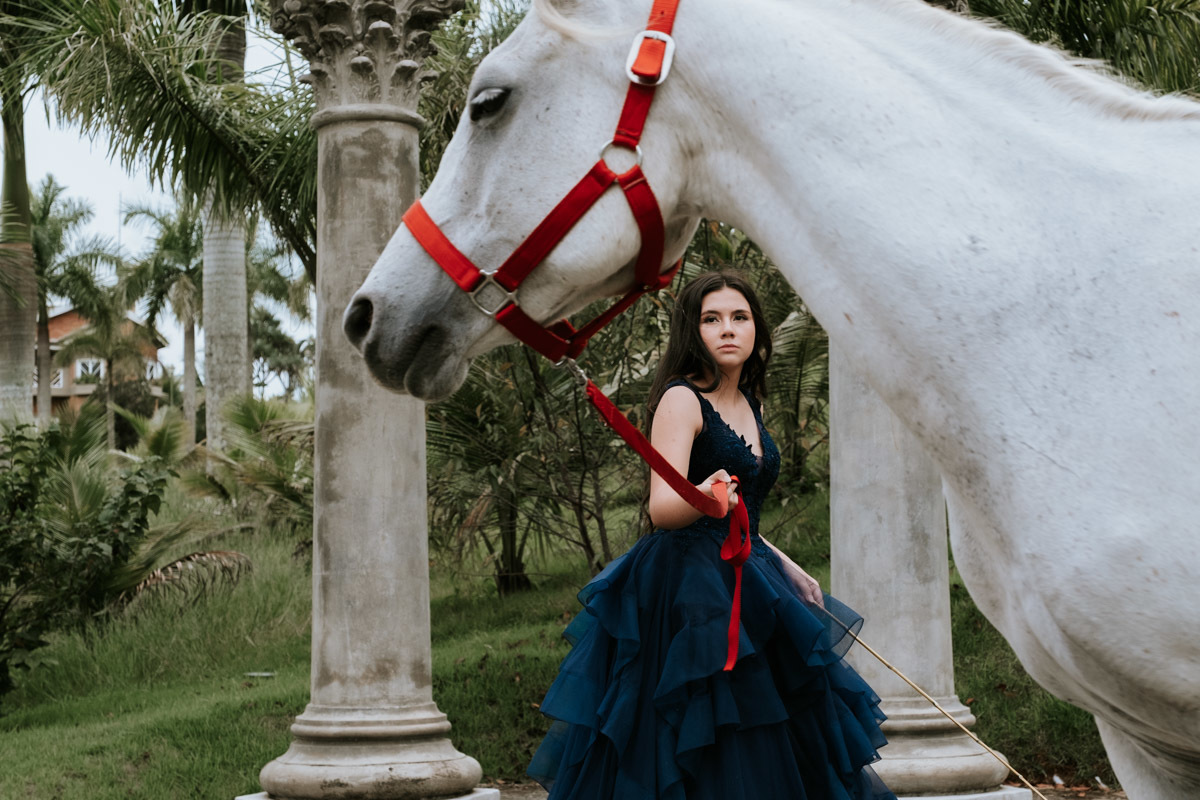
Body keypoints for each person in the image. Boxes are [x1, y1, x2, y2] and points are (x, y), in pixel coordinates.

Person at [528, 272, 897, 800]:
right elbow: (662, 508)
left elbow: (744, 514)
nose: (727, 329)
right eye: (711, 319)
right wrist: (704, 489)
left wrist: (785, 564)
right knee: (708, 733)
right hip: (688, 589)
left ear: (757, 331)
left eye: (739, 318)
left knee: (775, 726)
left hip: (748, 575)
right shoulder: (682, 399)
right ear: (692, 331)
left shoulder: (751, 403)